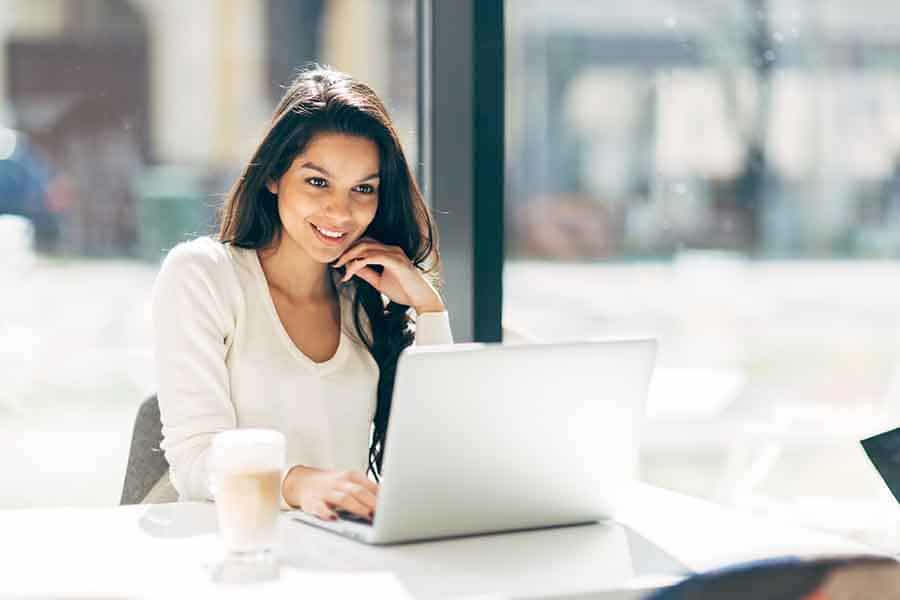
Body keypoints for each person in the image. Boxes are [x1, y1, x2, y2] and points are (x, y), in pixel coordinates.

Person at [150, 66, 452, 521]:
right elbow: (193, 462)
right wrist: (297, 483)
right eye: (317, 182)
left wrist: (427, 306)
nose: (340, 211)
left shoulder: (364, 302)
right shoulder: (204, 275)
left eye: (363, 189)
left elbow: (435, 455)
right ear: (273, 177)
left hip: (345, 553)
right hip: (234, 550)